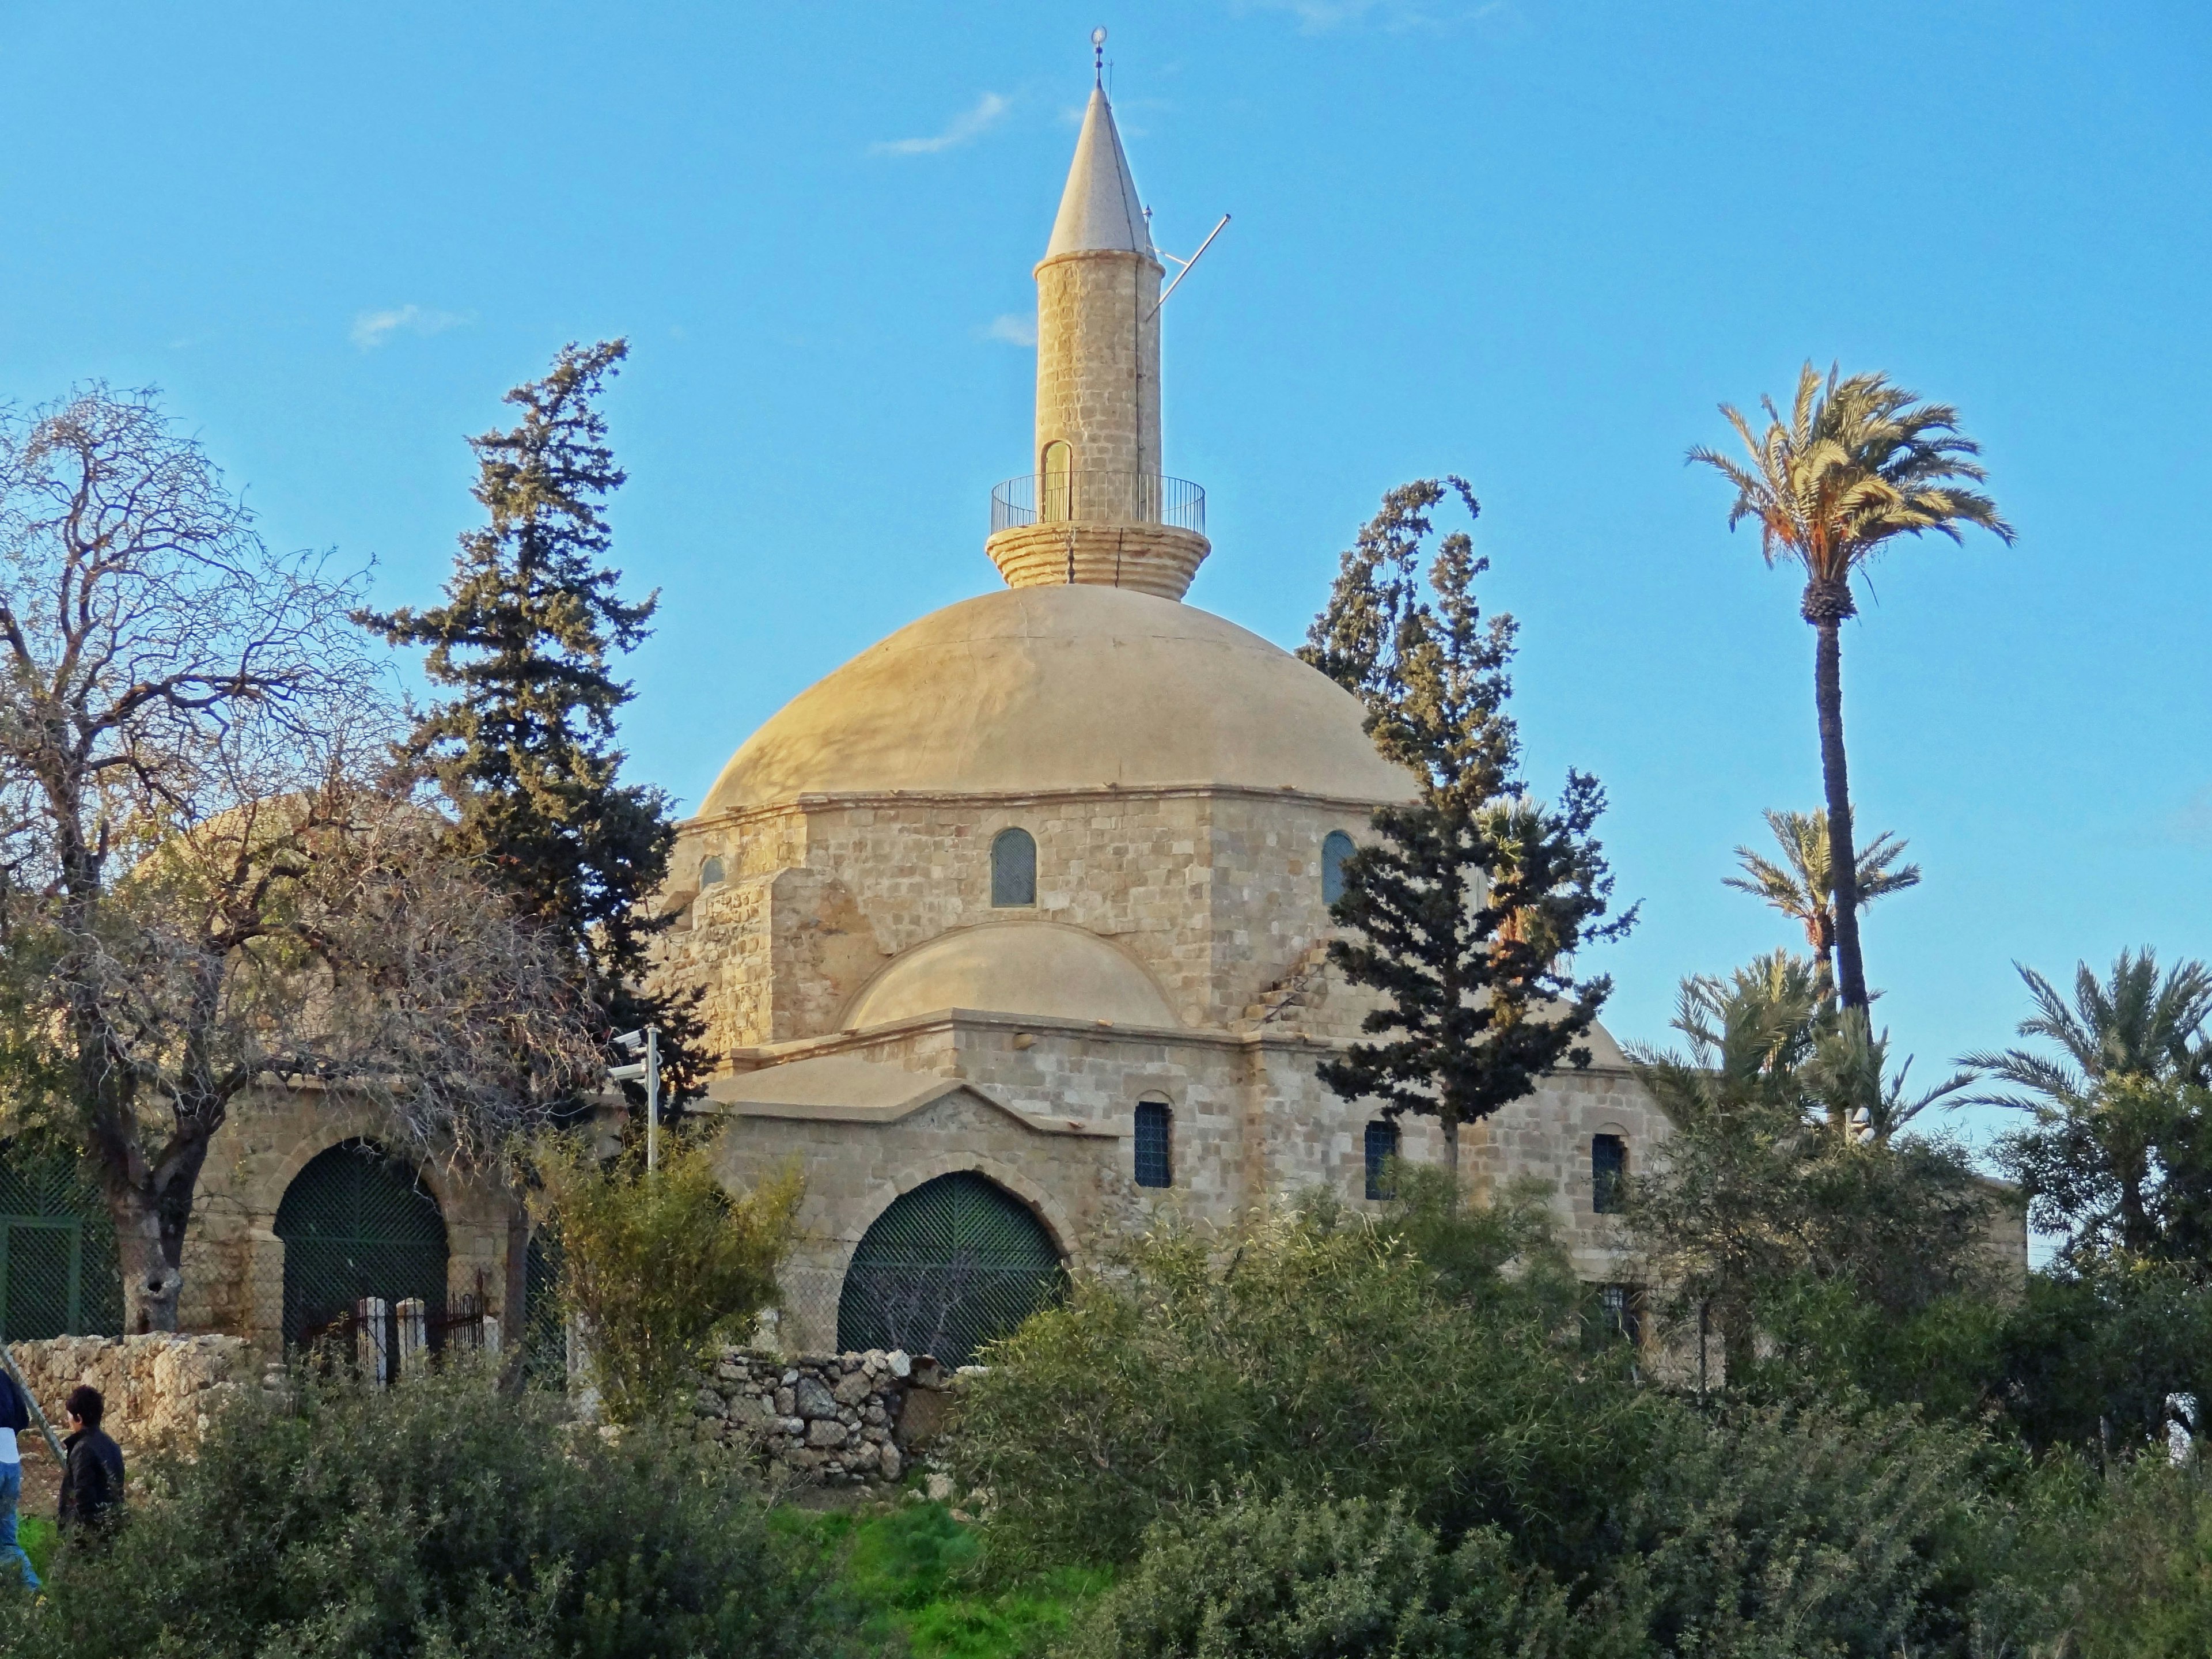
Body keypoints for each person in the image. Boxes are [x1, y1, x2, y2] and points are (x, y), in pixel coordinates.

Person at [57, 1384, 123, 1534]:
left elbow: (83, 1497)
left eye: (69, 1415)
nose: (68, 1420)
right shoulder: (111, 1445)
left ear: (79, 1418)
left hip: (90, 1537)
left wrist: (79, 1536)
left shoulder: (82, 1449)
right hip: (113, 1528)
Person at [0, 1363, 35, 1589]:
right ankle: (33, 1589)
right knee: (7, 1540)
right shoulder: (4, 1378)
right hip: (11, 1461)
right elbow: (24, 1418)